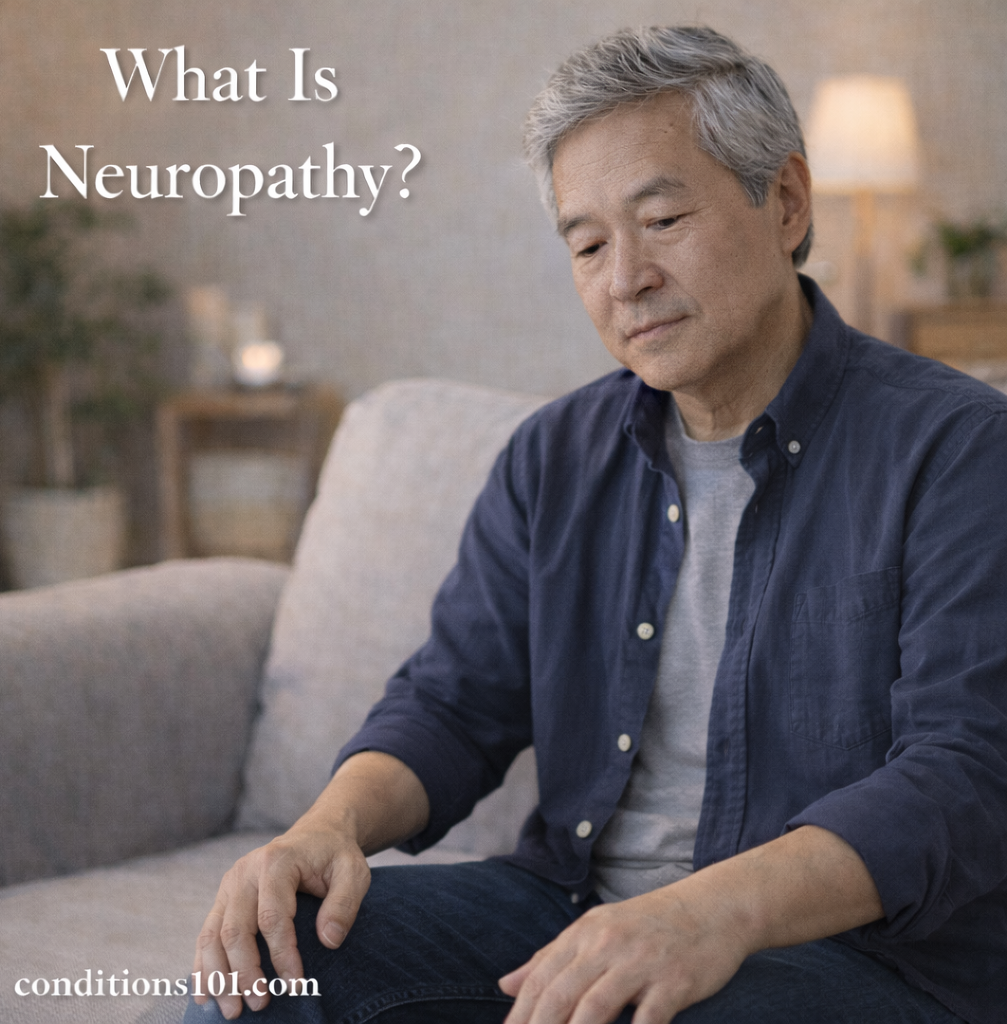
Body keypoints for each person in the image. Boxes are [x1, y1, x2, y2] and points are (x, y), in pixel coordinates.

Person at [185, 26, 1006, 1024]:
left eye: (662, 220)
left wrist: (702, 916)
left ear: (786, 201)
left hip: (852, 955)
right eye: (587, 245)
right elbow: (452, 703)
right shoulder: (553, 457)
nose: (625, 279)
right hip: (566, 905)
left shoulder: (958, 448)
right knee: (268, 969)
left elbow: (964, 775)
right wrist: (326, 827)